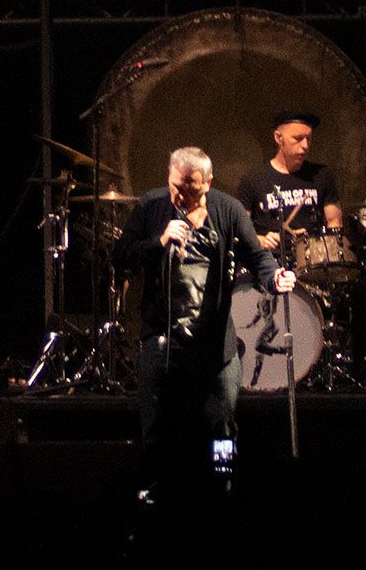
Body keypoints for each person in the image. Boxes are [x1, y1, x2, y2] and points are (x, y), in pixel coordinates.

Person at [113, 146, 293, 502]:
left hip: (215, 346)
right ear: (169, 177)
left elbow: (257, 256)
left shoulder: (227, 210)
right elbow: (120, 257)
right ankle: (153, 498)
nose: (182, 195)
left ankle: (223, 491)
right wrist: (160, 240)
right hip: (164, 338)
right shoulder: (152, 206)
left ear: (208, 182)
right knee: (157, 430)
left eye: (191, 189)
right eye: (177, 186)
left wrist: (274, 278)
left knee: (223, 426)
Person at [231, 110, 344, 252]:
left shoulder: (322, 175)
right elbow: (238, 229)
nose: (305, 145)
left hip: (313, 260)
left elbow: (334, 221)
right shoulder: (254, 179)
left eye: (308, 139)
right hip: (271, 261)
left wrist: (330, 251)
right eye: (298, 138)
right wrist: (260, 240)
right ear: (279, 138)